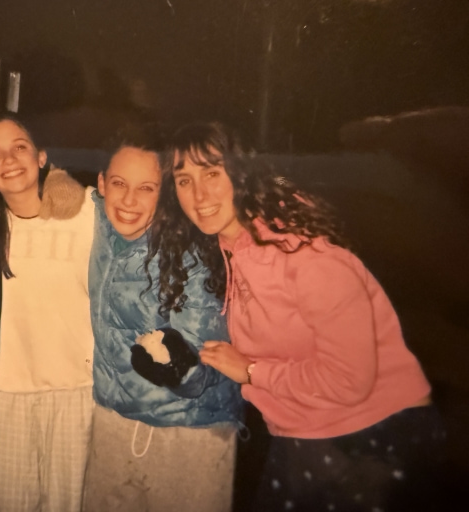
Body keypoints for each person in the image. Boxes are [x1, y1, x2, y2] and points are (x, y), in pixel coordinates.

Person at [152, 121, 446, 511]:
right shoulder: (234, 248)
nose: (199, 194)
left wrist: (252, 372)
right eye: (184, 180)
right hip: (306, 432)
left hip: (369, 437)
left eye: (211, 173)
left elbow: (349, 380)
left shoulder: (304, 254)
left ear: (240, 173)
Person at [83, 133, 243, 512]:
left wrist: (175, 365)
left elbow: (203, 371)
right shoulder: (97, 223)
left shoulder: (189, 252)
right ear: (101, 184)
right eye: (119, 183)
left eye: (147, 188)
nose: (129, 201)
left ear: (165, 194)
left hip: (188, 431)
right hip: (114, 421)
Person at [0, 112, 95, 512]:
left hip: (76, 393)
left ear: (41, 157)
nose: (10, 160)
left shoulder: (85, 211)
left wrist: (65, 179)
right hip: (6, 396)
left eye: (20, 147)